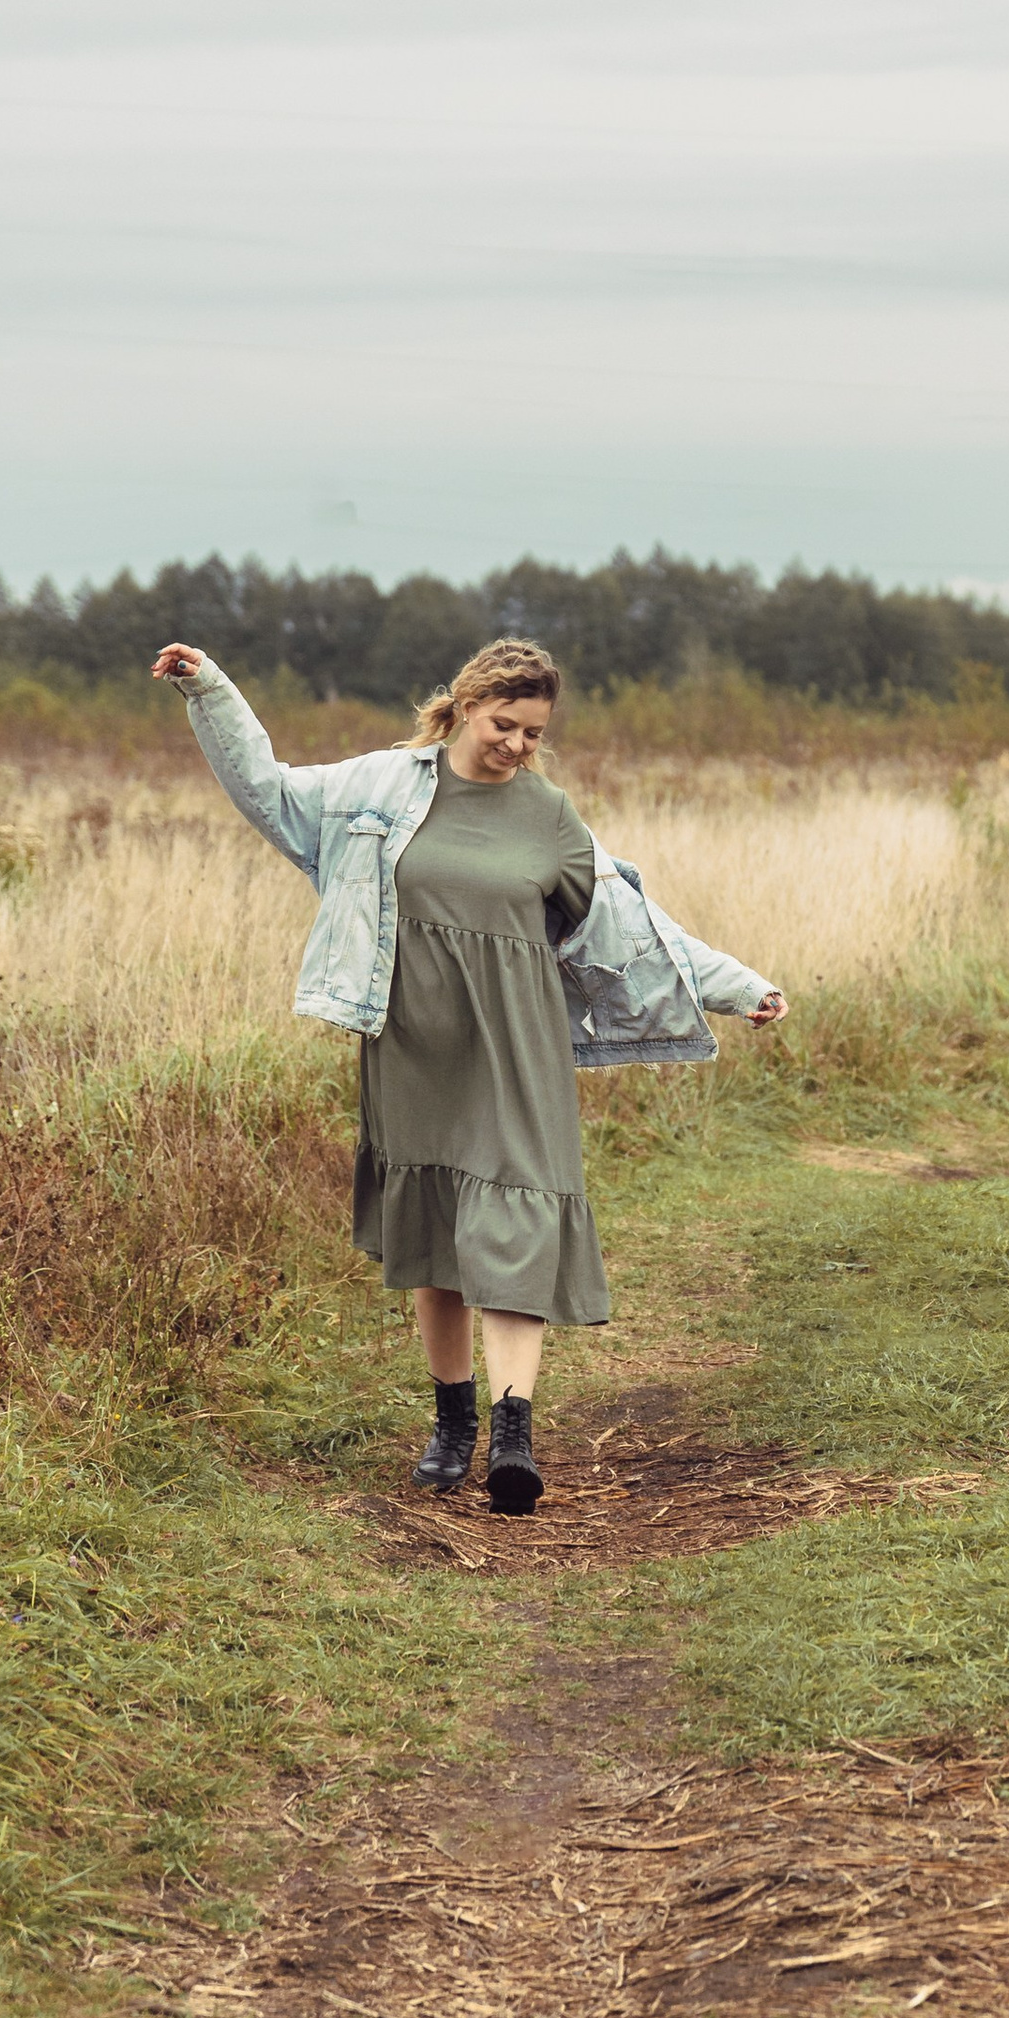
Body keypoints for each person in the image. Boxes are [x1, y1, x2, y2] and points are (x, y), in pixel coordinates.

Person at [151, 631, 786, 1513]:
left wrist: (739, 986)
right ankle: (452, 1425)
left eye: (534, 733)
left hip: (517, 1048)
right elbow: (268, 788)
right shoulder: (379, 786)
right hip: (414, 1045)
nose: (518, 746)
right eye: (504, 725)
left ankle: (512, 1432)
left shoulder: (549, 817)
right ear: (465, 705)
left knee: (516, 1221)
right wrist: (210, 690)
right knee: (437, 1231)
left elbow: (637, 925)